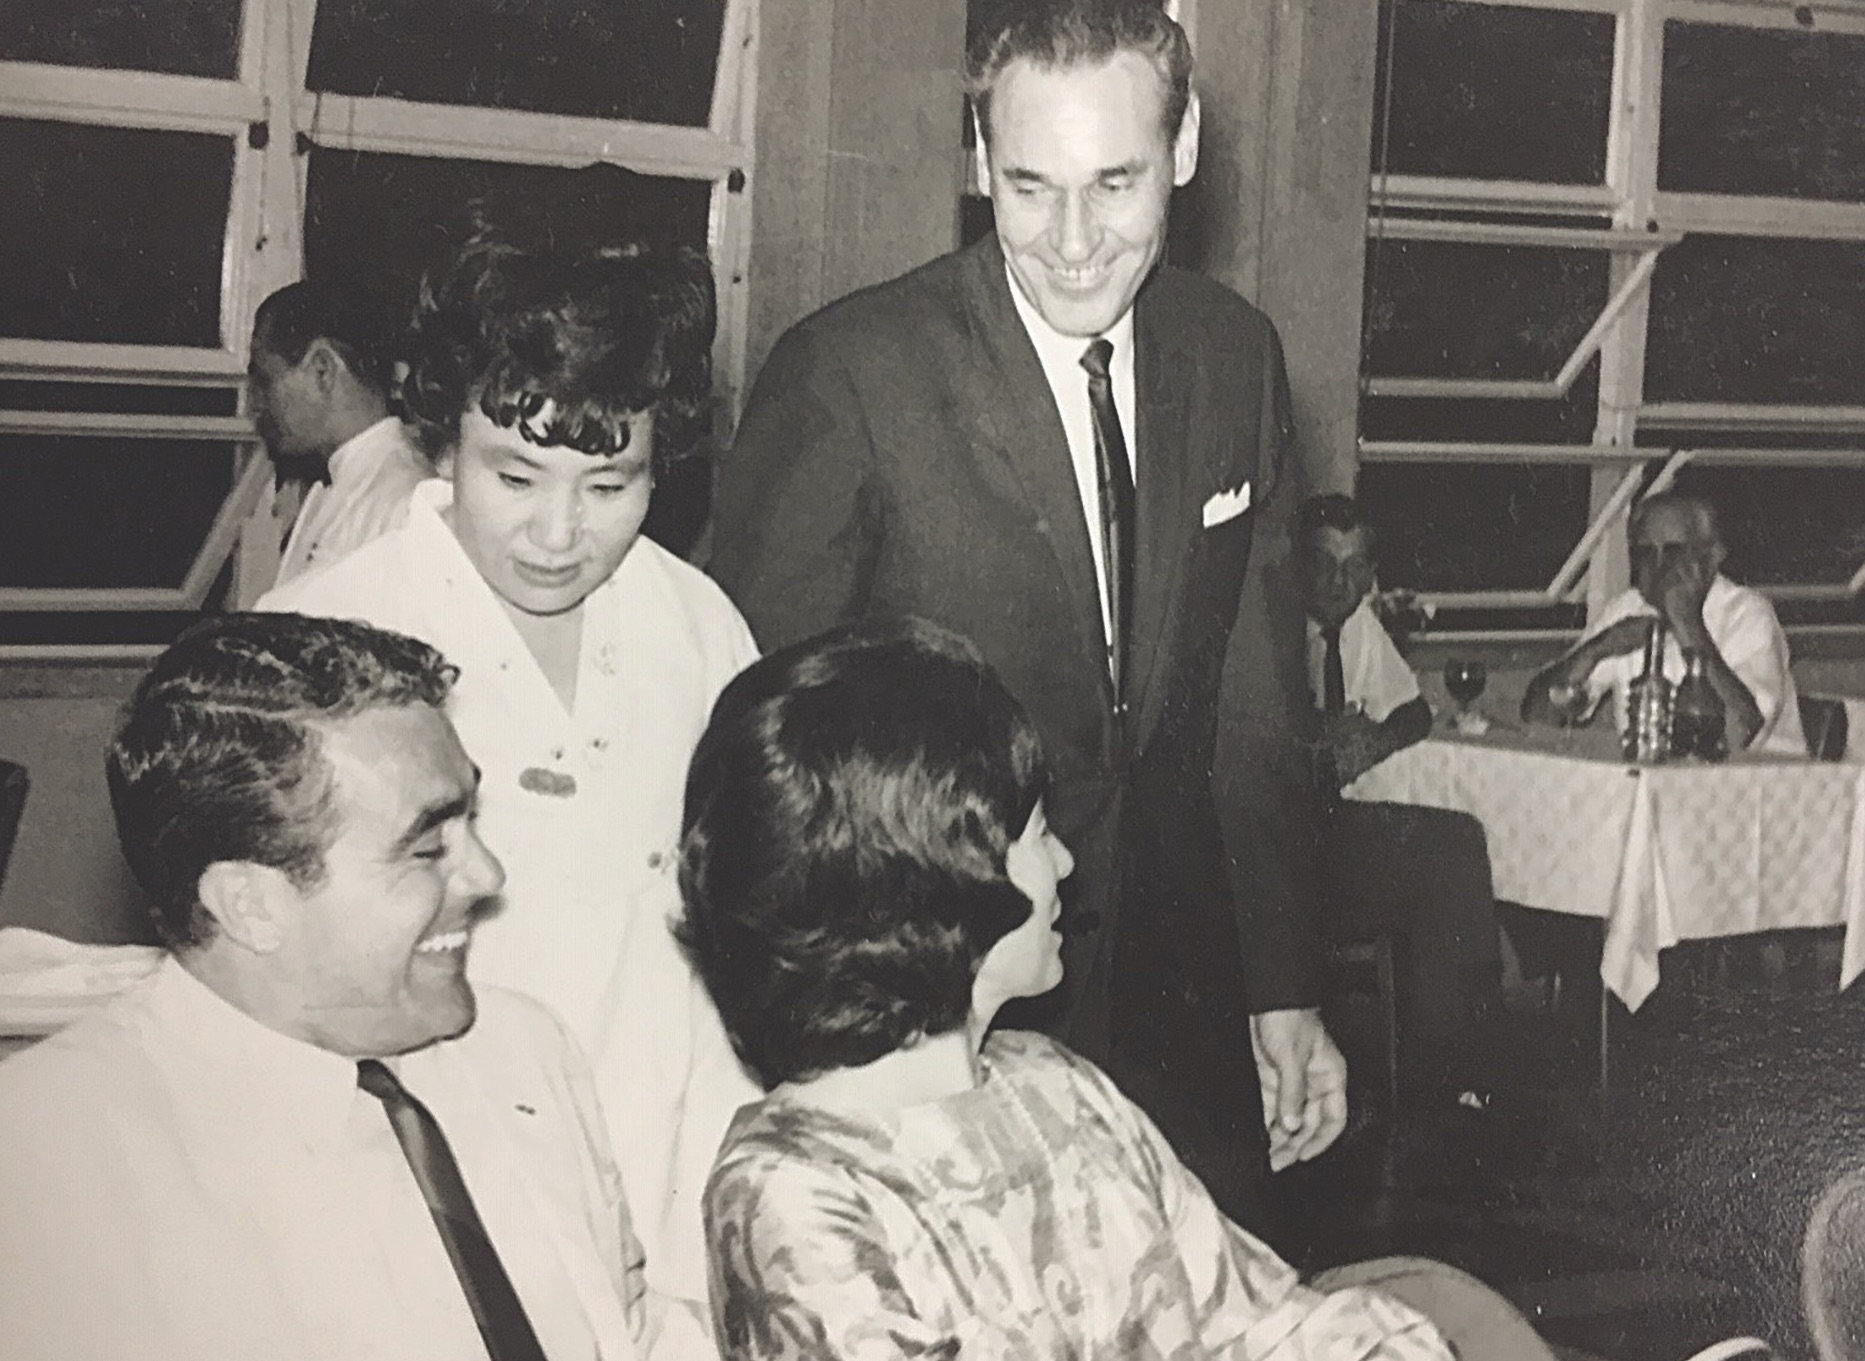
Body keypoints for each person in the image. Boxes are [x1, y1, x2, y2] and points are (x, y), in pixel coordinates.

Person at [708, 0, 1340, 1232]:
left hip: (1179, 994)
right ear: (978, 159)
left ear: (1186, 147)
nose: (1068, 241)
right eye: (1028, 185)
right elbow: (758, 756)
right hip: (938, 1015)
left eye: (1114, 184)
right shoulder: (853, 372)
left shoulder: (1233, 355)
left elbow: (1259, 708)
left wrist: (1282, 982)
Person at [678, 619, 1557, 1361]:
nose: (1065, 862)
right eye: (1035, 835)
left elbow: (1254, 1319)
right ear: (929, 886)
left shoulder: (1058, 1088)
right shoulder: (792, 1191)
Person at [261, 228, 760, 1341]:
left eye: (608, 481)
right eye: (514, 474)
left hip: (678, 1186)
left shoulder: (700, 626)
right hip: (432, 1200)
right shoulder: (323, 638)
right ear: (445, 438)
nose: (556, 531)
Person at [0, 613, 658, 1360]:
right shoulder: (46, 1169)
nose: (486, 876)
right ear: (251, 904)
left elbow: (634, 1331)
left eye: (473, 821)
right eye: (426, 848)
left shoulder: (524, 1049)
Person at [1300, 493, 1503, 1110]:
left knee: (1455, 840)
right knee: (1441, 855)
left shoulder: (1356, 623)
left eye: (1357, 567)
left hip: (1333, 831)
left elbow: (1411, 709)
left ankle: (1459, 1053)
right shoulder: (1267, 626)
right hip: (1271, 845)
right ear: (1297, 565)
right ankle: (1452, 1058)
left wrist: (1376, 739)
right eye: (1326, 564)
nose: (1342, 582)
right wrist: (1317, 737)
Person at [1522, 491, 1805, 756]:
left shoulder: (1747, 613)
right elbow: (1537, 717)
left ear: (1712, 557)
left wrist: (1687, 624)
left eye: (1673, 553)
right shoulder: (1628, 608)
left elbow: (1742, 732)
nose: (1658, 567)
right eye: (1645, 552)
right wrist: (1597, 649)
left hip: (1754, 787)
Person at [248, 280, 431, 586]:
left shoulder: (404, 502)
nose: (255, 404)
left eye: (265, 381)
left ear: (323, 370)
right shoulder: (334, 486)